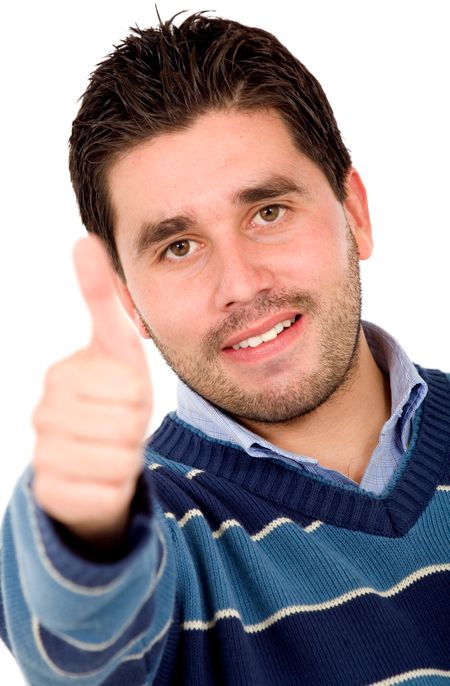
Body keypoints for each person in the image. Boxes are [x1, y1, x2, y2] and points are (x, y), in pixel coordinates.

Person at [1, 10, 449, 686]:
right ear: (129, 301)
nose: (239, 285)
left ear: (355, 213)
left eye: (268, 212)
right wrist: (81, 527)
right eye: (178, 247)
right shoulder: (164, 544)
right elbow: (79, 642)